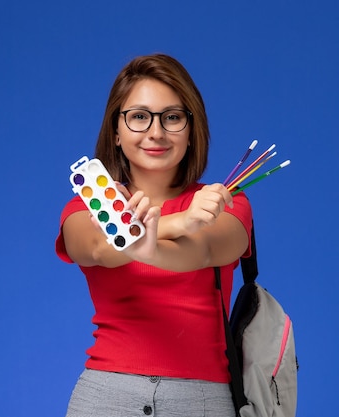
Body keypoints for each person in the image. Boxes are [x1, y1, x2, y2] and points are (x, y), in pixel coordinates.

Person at [55, 53, 253, 417]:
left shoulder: (223, 202)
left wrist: (152, 243)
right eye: (139, 117)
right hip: (105, 397)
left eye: (173, 117)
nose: (156, 132)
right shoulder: (85, 207)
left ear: (192, 130)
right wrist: (178, 223)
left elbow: (203, 251)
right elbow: (99, 248)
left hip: (202, 402)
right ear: (116, 131)